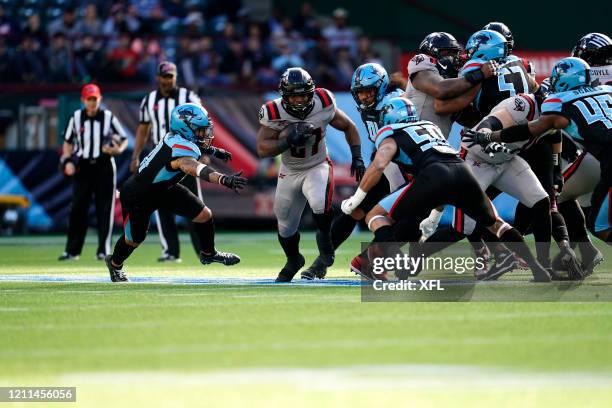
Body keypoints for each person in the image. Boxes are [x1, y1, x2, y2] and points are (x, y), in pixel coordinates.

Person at [342, 97, 552, 282]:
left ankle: (400, 259)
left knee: (376, 215)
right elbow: (443, 185)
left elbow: (379, 164)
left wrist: (356, 197)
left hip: (433, 174)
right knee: (497, 224)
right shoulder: (428, 126)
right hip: (463, 171)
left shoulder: (391, 132)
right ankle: (538, 269)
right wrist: (433, 218)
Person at [463, 57, 612, 274]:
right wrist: (555, 170)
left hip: (599, 159)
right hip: (487, 157)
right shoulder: (607, 92)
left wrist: (494, 136)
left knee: (597, 224)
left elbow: (541, 130)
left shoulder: (558, 102)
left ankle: (560, 253)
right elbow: (552, 135)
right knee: (545, 199)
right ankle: (551, 258)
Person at [105, 103, 246, 282]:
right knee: (134, 239)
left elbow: (192, 144)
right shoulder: (179, 150)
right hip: (139, 195)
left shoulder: (176, 138)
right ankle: (115, 263)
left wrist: (213, 151)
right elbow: (192, 166)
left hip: (163, 189)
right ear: (185, 128)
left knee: (203, 215)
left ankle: (208, 253)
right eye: (200, 130)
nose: (205, 134)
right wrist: (223, 179)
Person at [256, 67, 364, 282]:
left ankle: (326, 248)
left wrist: (357, 156)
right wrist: (286, 140)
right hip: (289, 170)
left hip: (317, 164)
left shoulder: (323, 100)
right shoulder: (273, 112)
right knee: (285, 224)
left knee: (318, 202)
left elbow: (349, 126)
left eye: (303, 94)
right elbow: (262, 149)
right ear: (284, 96)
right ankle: (294, 259)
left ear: (312, 92)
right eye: (294, 95)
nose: (299, 100)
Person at [311, 63, 405, 280]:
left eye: (368, 91)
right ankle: (323, 262)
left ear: (380, 88)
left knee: (400, 216)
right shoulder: (372, 107)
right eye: (360, 92)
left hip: (402, 163)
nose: (363, 97)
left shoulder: (395, 103)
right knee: (357, 210)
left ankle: (370, 261)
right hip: (385, 160)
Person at [132, 61, 232, 262]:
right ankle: (170, 250)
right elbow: (143, 129)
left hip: (185, 154)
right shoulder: (149, 99)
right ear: (158, 77)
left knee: (193, 202)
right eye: (164, 76)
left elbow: (202, 123)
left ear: (175, 77)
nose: (167, 80)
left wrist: (203, 153)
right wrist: (136, 155)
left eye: (170, 76)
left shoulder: (188, 97)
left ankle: (202, 250)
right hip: (161, 156)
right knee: (160, 203)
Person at [58, 84, 127, 261]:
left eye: (94, 99)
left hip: (104, 165)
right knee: (78, 208)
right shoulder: (75, 117)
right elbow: (67, 142)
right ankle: (72, 250)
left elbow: (123, 139)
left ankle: (103, 249)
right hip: (83, 166)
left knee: (105, 208)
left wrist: (116, 150)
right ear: (83, 100)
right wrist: (67, 160)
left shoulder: (108, 117)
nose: (92, 102)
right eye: (89, 99)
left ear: (99, 99)